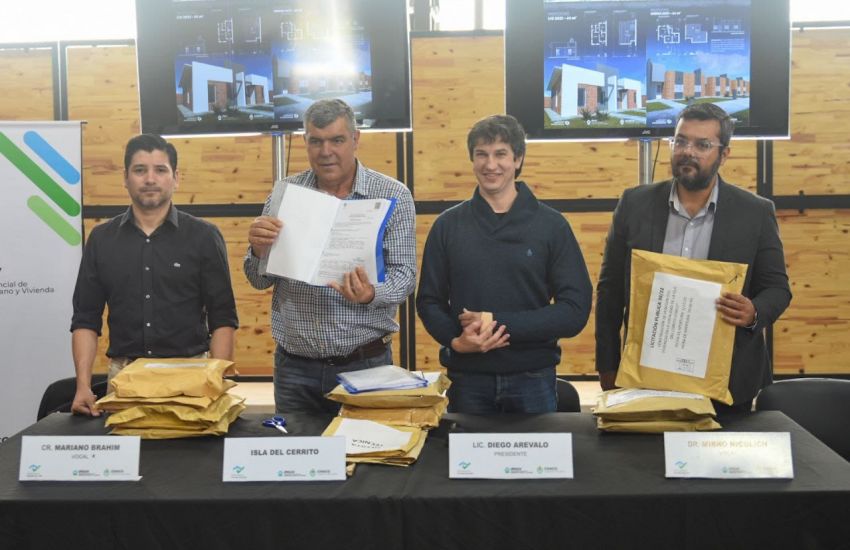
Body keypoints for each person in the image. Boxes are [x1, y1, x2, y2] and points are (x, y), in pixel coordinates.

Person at [595, 103, 792, 413]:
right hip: (646, 375)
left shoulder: (755, 212)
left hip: (727, 382)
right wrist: (607, 365)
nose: (688, 151)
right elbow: (609, 291)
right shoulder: (634, 204)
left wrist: (754, 312)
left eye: (702, 145)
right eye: (681, 141)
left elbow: (777, 289)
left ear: (724, 155)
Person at [244, 99, 416, 414]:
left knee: (364, 447)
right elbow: (257, 280)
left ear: (355, 139)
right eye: (316, 141)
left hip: (366, 365)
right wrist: (258, 250)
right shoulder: (285, 194)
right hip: (295, 370)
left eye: (337, 140)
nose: (326, 151)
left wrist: (371, 294)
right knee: (297, 448)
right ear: (305, 142)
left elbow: (404, 276)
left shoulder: (393, 195)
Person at [417, 114, 592, 414]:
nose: (490, 165)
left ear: (518, 159)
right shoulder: (447, 226)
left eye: (500, 154)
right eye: (481, 154)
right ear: (472, 160)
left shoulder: (552, 226)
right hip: (467, 379)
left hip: (533, 378)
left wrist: (493, 322)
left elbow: (574, 310)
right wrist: (455, 341)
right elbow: (429, 301)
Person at [70, 134, 238, 416]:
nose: (150, 179)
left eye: (160, 170)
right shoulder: (101, 239)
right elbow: (85, 318)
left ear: (176, 178)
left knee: (191, 448)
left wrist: (216, 382)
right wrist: (83, 385)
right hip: (124, 378)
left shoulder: (204, 237)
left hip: (191, 376)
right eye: (140, 170)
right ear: (125, 178)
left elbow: (223, 318)